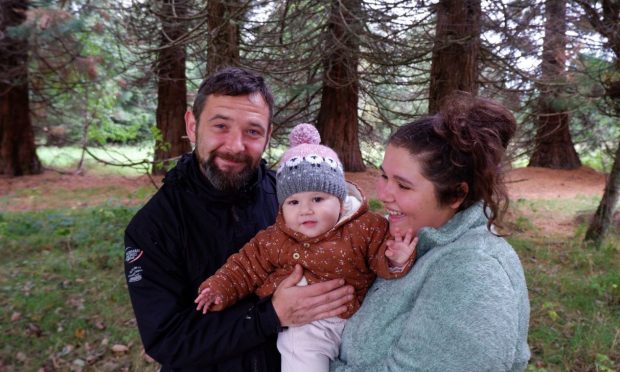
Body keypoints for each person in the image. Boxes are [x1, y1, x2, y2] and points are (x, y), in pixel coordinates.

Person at [123, 67, 356, 372]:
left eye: (253, 131)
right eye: (221, 126)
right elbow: (168, 341)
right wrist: (270, 315)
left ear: (269, 135)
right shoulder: (154, 226)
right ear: (192, 125)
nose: (236, 146)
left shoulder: (291, 200)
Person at [331, 93, 531, 371]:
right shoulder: (409, 237)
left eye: (403, 185)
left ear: (456, 195)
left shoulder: (474, 273)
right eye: (384, 176)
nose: (383, 193)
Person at [194, 123, 417, 372]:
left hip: (358, 317)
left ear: (341, 202)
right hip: (308, 326)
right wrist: (219, 288)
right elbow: (245, 267)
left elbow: (380, 254)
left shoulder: (365, 227)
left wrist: (396, 259)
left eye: (318, 199)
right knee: (302, 359)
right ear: (282, 207)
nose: (305, 210)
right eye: (294, 202)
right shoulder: (275, 238)